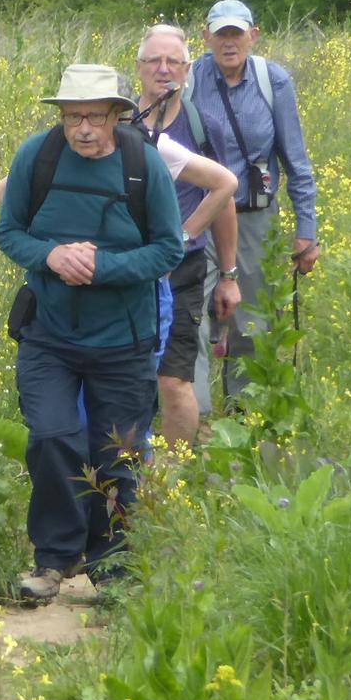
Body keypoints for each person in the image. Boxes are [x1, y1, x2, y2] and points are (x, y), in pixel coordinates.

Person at [0, 64, 197, 604]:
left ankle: (114, 569)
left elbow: (168, 249)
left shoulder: (142, 165)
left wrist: (99, 267)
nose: (82, 128)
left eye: (92, 116)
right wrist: (53, 256)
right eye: (71, 117)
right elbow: (8, 231)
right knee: (52, 438)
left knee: (119, 453)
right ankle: (53, 561)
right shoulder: (35, 158)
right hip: (48, 335)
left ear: (116, 115)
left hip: (123, 340)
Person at [184, 0, 320, 399]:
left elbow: (296, 160)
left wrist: (305, 231)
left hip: (254, 218)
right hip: (199, 215)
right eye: (220, 34)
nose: (229, 43)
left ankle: (244, 412)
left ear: (253, 36)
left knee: (252, 320)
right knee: (191, 316)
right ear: (205, 36)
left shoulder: (272, 81)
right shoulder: (188, 79)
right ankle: (197, 421)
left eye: (236, 34)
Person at [131, 24, 242, 447]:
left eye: (173, 61)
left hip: (183, 267)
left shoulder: (201, 126)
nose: (163, 70)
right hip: (126, 270)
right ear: (138, 67)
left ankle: (175, 482)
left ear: (188, 68)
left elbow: (224, 195)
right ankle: (124, 469)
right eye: (154, 61)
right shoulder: (117, 121)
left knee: (174, 378)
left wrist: (228, 274)